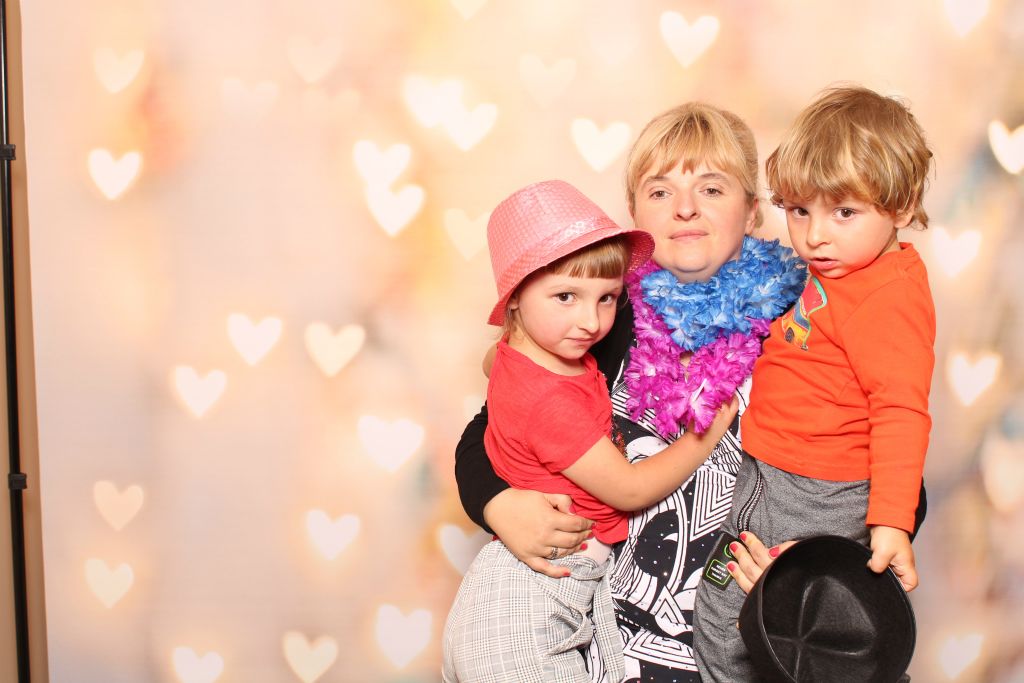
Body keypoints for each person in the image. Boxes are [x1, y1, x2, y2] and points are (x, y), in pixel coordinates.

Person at [454, 104, 807, 681]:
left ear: (751, 209)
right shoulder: (600, 315)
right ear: (636, 214)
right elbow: (491, 426)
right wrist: (497, 503)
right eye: (660, 191)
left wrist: (815, 553)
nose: (685, 208)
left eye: (711, 188)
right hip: (594, 645)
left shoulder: (805, 325)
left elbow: (886, 472)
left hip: (743, 646)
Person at [441, 179, 738, 683]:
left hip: (551, 597)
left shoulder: (537, 352)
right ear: (515, 299)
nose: (591, 322)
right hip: (526, 602)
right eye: (566, 297)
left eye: (607, 299)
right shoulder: (551, 394)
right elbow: (630, 489)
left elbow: (496, 362)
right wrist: (705, 435)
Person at [693, 85, 936, 681]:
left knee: (755, 626)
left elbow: (901, 410)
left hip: (813, 492)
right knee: (745, 617)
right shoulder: (844, 268)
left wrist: (891, 521)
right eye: (800, 211)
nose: (815, 235)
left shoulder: (887, 298)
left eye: (843, 212)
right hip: (772, 472)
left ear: (902, 206)